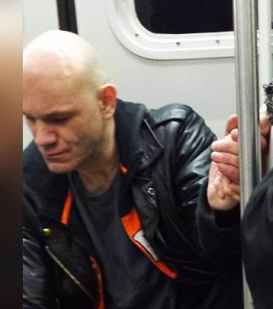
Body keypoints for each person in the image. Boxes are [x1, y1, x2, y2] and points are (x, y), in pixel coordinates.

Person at [22, 30, 242, 308]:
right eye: (31, 119)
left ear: (106, 102)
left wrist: (221, 214)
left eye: (60, 118)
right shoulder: (30, 185)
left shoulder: (173, 140)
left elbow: (224, 258)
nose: (42, 138)